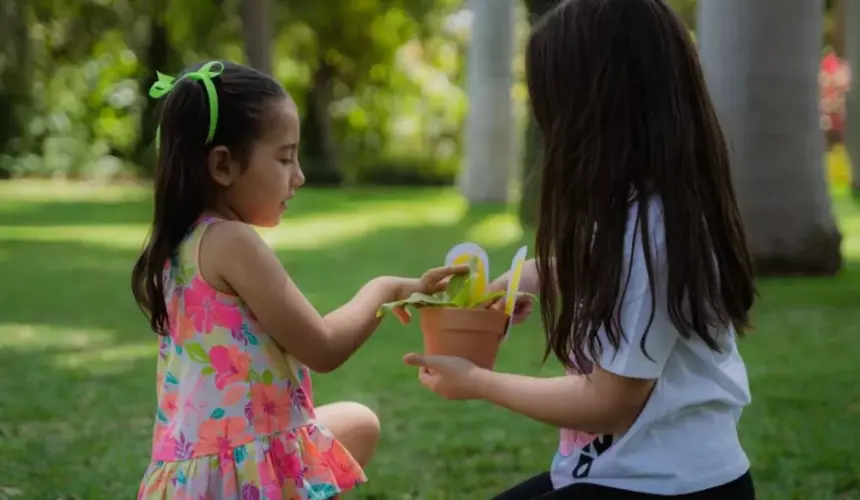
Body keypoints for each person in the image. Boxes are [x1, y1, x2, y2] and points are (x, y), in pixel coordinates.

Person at [402, 0, 758, 498]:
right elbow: (608, 275)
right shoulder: (641, 206)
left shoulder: (650, 229)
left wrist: (478, 382)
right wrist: (529, 277)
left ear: (597, 107)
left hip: (666, 486)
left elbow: (609, 403)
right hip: (620, 472)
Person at [131, 60, 465, 499]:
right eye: (285, 158)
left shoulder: (179, 246)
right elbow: (322, 346)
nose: (300, 176)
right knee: (352, 427)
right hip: (233, 482)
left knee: (357, 425)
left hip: (187, 478)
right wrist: (386, 289)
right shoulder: (232, 241)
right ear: (223, 166)